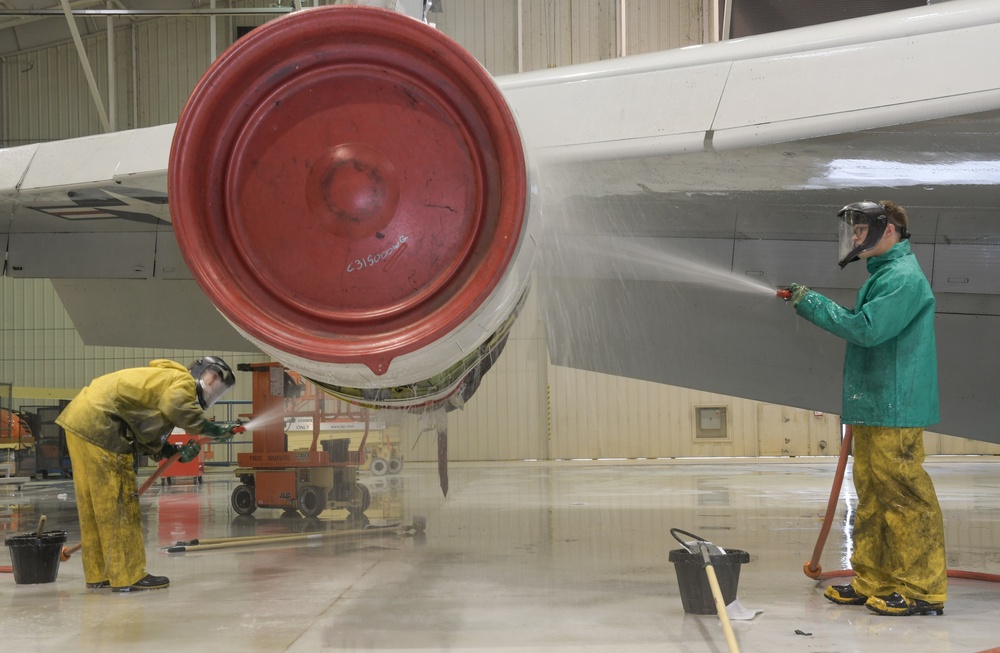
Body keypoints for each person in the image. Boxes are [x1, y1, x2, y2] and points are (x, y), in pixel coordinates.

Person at [788, 200, 946, 617]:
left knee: (905, 497)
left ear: (889, 230)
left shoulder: (902, 278)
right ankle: (874, 580)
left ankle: (922, 589)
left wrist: (811, 304)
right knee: (874, 498)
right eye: (853, 231)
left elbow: (866, 330)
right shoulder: (884, 275)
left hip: (895, 404)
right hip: (876, 402)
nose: (856, 238)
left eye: (862, 230)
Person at [56, 357, 240, 593]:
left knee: (95, 507)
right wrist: (213, 429)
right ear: (199, 371)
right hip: (103, 426)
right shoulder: (181, 380)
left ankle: (99, 574)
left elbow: (143, 429)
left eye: (218, 388)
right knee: (120, 506)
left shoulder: (162, 380)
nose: (213, 389)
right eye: (212, 380)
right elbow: (176, 408)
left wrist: (169, 450)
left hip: (81, 421)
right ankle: (127, 576)